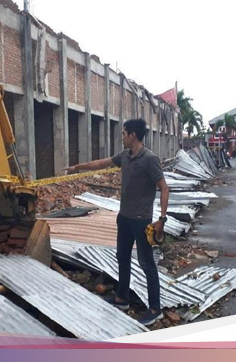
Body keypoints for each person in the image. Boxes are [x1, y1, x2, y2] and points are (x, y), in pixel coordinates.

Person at [64, 118, 169, 326]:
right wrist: (77, 167)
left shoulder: (150, 159)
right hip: (125, 218)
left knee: (147, 263)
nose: (121, 137)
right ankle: (122, 298)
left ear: (133, 136)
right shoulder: (125, 156)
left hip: (142, 222)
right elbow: (101, 163)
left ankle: (155, 309)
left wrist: (162, 219)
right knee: (122, 257)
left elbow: (164, 188)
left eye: (124, 133)